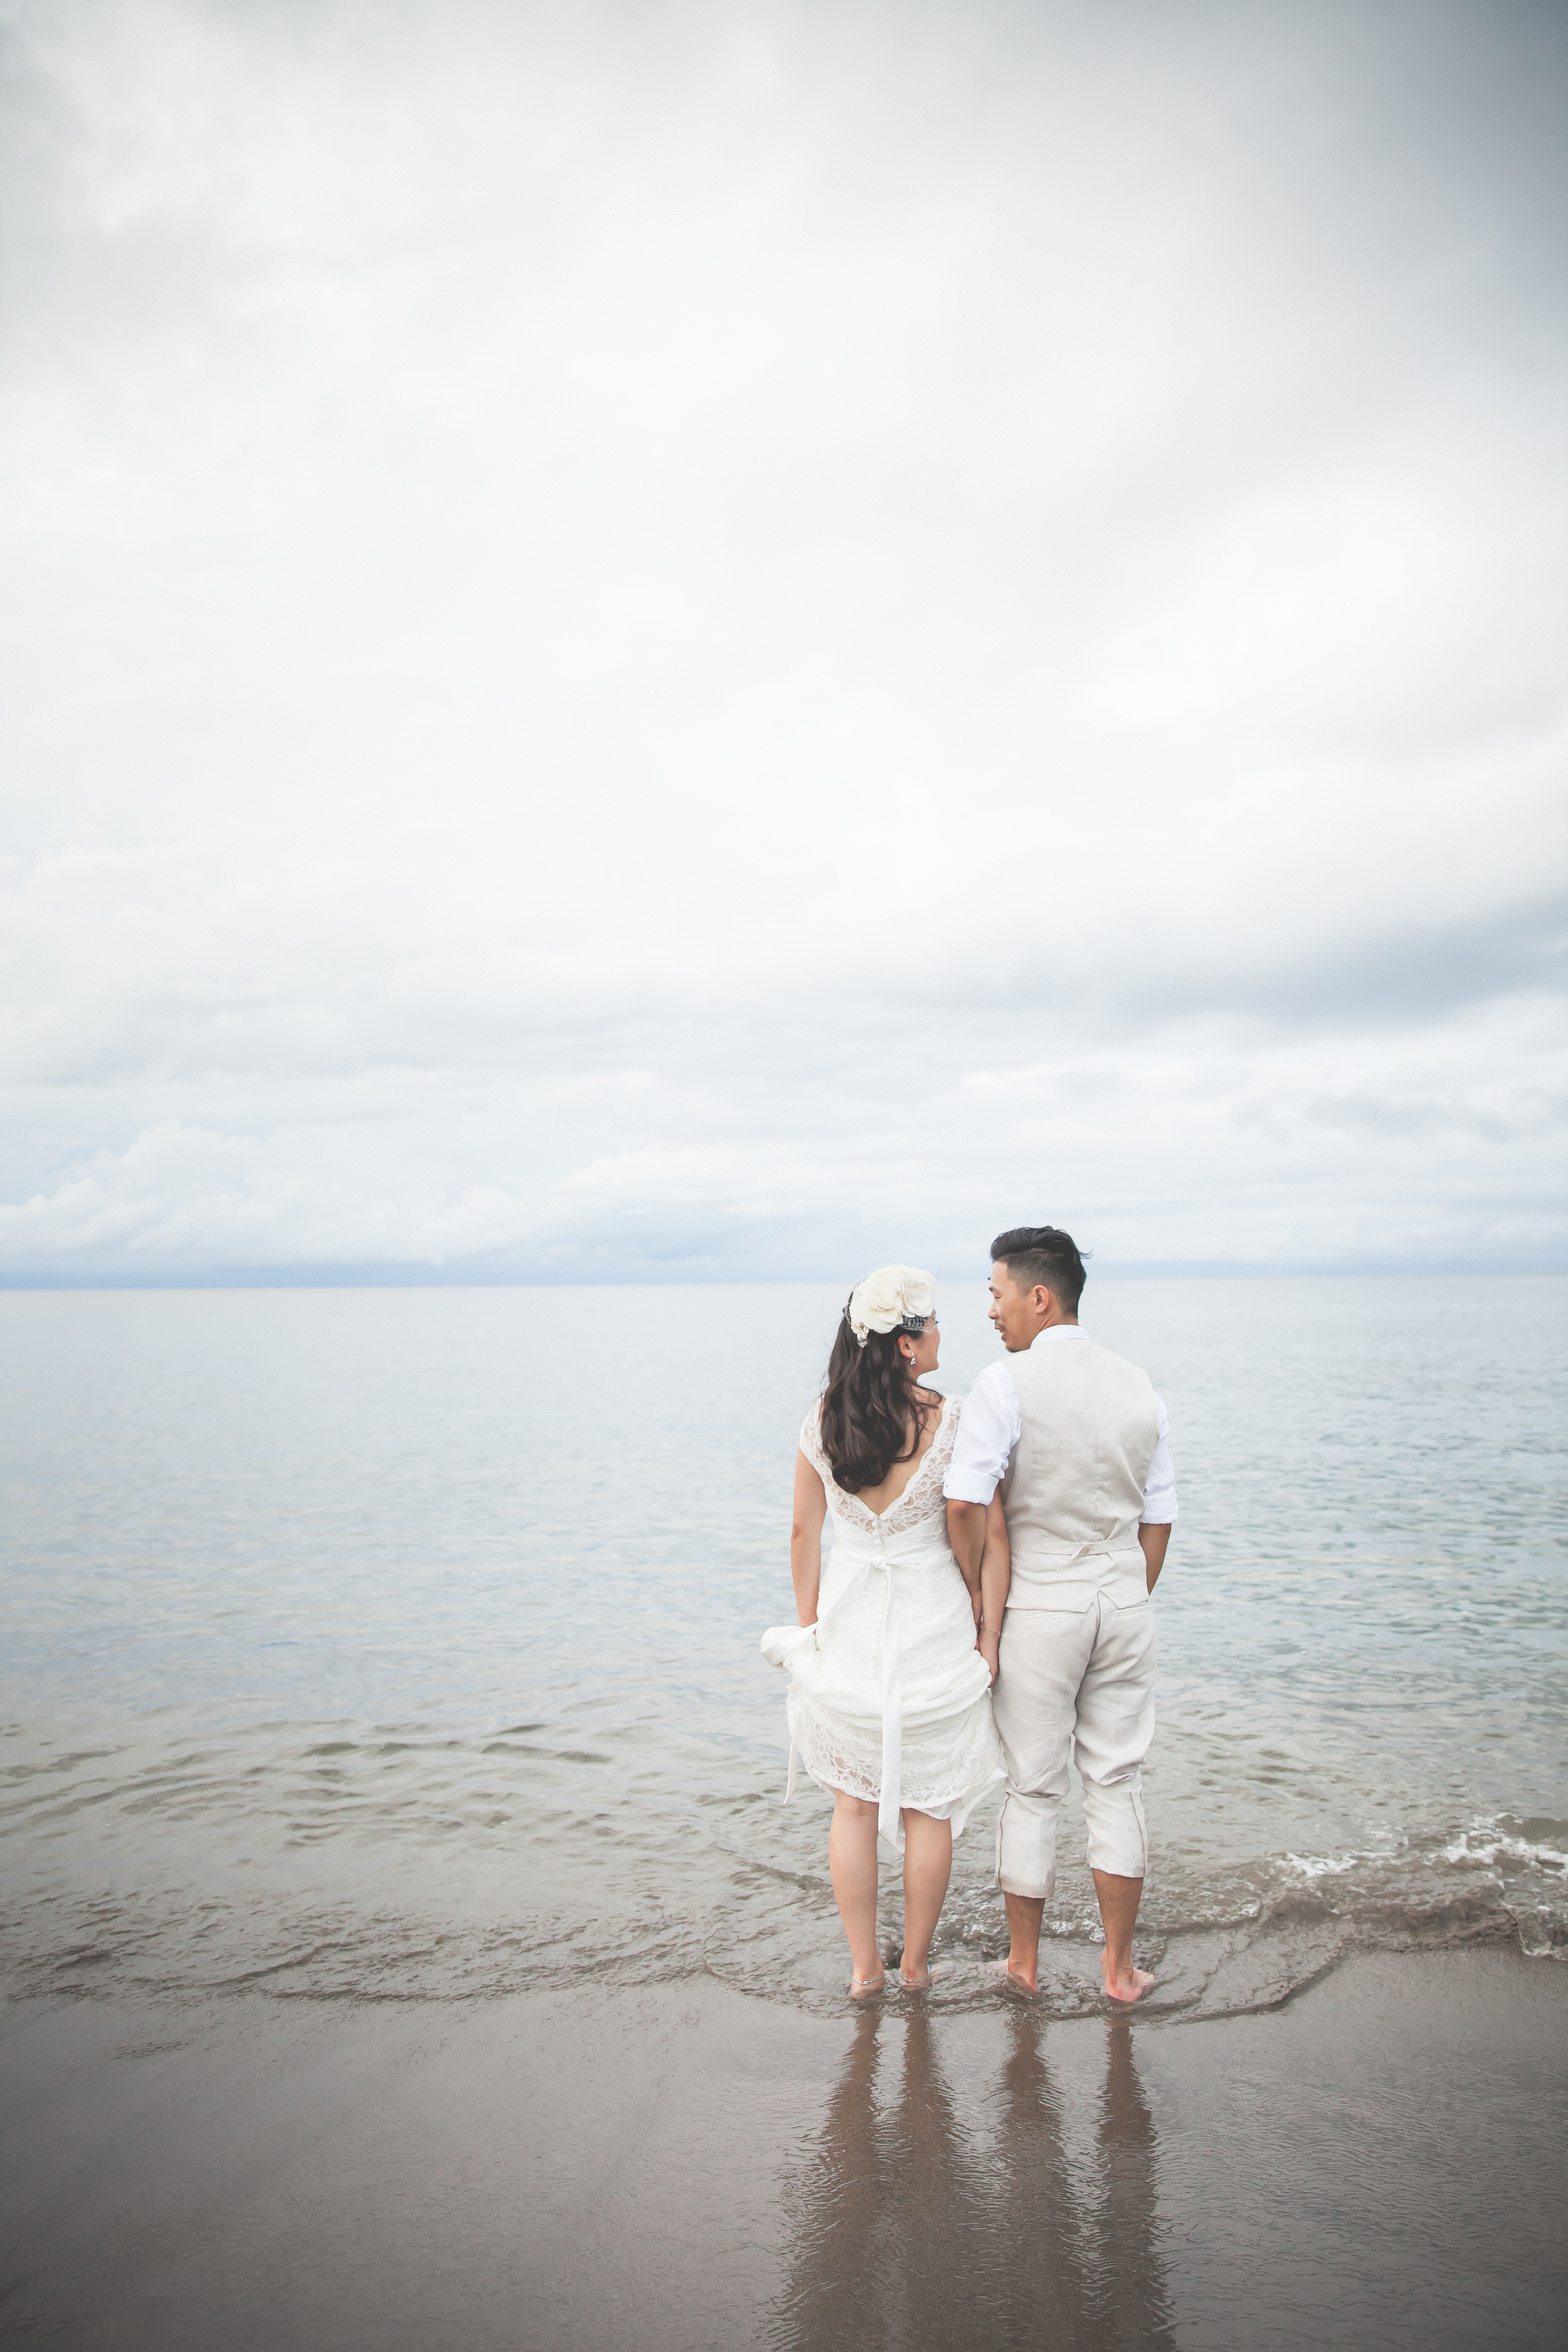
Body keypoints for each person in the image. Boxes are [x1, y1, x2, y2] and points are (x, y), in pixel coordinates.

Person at [944, 1226, 1177, 2005]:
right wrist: (1124, 1592)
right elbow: (1159, 1517)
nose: (990, 1311)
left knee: (1033, 1788)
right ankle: (1118, 1972)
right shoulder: (1140, 1383)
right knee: (1117, 1781)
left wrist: (982, 1603)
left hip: (1040, 1605)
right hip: (1123, 1596)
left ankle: (1023, 1966)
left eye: (995, 1293)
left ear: (1038, 1297)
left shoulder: (1005, 1384)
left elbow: (965, 1500)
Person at [762, 1264, 1005, 1997]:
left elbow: (804, 1532)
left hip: (850, 1619)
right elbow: (983, 1532)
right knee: (927, 1805)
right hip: (931, 1621)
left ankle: (864, 1968)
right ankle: (916, 1967)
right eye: (930, 1325)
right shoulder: (952, 1419)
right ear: (903, 1343)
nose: (940, 1336)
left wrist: (810, 1626)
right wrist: (987, 1631)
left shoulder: (821, 1418)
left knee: (853, 1804)